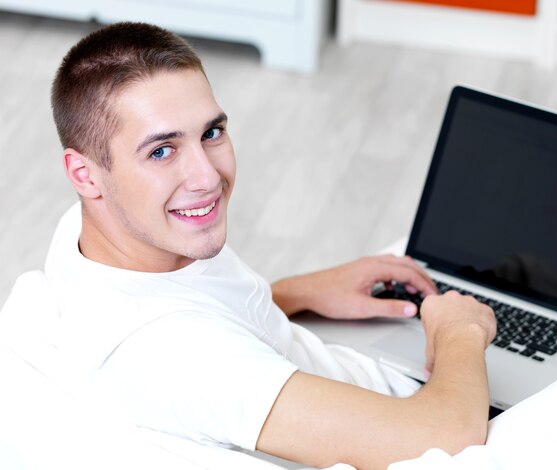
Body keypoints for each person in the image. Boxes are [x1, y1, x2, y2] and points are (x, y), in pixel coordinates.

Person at [6, 22, 499, 470]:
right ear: (83, 173)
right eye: (161, 150)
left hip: (346, 373)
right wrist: (459, 330)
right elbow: (446, 436)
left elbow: (189, 309)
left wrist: (292, 293)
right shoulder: (185, 359)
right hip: (427, 418)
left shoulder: (91, 239)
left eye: (212, 132)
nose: (207, 176)